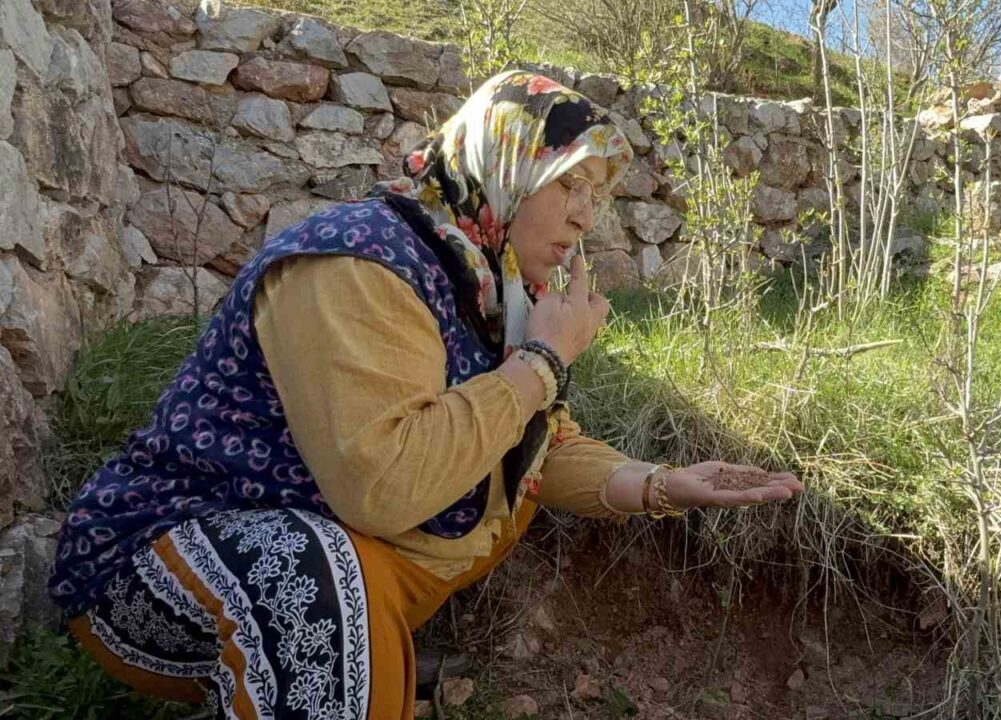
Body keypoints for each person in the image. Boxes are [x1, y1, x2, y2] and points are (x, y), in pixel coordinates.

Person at [47, 70, 803, 719]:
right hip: (154, 566)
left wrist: (663, 484)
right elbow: (383, 485)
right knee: (314, 571)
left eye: (598, 195)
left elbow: (536, 444)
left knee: (353, 563)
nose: (585, 214)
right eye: (569, 182)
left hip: (324, 569)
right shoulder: (356, 262)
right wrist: (543, 360)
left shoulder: (495, 285)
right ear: (502, 161)